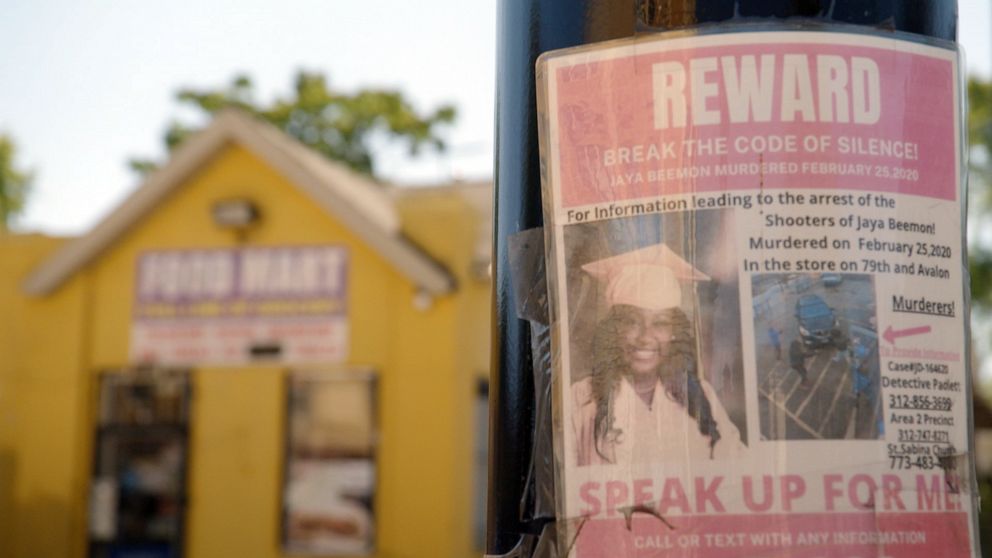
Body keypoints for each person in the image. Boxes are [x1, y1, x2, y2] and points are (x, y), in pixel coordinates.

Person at [569, 244, 744, 466]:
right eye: (631, 321)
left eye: (660, 323)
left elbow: (737, 463)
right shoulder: (580, 399)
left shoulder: (700, 395)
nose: (645, 337)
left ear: (674, 333)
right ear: (614, 330)